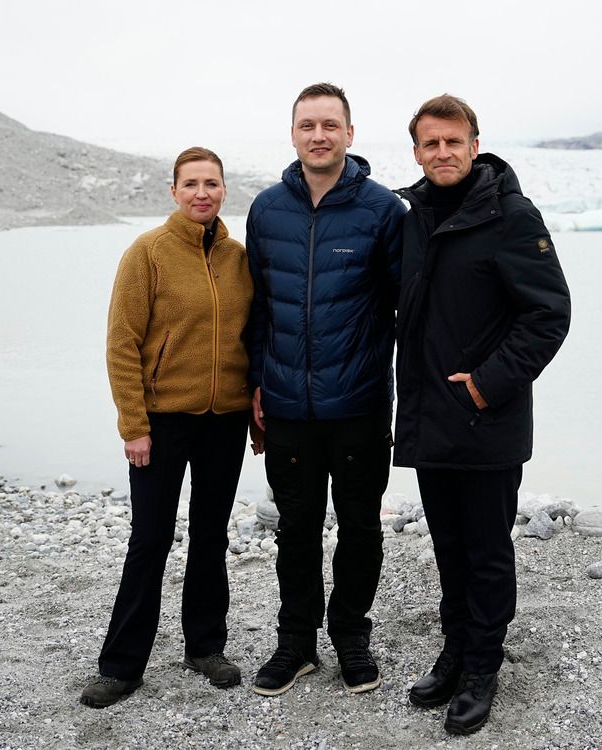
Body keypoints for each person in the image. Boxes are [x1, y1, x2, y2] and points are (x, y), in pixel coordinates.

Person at [394, 95, 571, 734]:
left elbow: (549, 313)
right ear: (416, 150)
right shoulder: (412, 217)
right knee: (448, 546)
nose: (442, 153)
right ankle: (455, 649)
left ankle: (483, 668)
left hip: (486, 418)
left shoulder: (512, 216)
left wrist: (487, 386)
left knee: (487, 551)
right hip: (431, 418)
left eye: (453, 141)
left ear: (474, 144)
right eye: (430, 143)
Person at [246, 82, 406, 696]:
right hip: (286, 403)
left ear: (350, 134)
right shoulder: (267, 209)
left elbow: (404, 309)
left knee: (360, 526)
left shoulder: (382, 211)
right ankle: (297, 643)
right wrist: (255, 384)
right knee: (297, 525)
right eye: (307, 125)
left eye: (330, 125)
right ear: (293, 134)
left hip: (360, 403)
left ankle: (350, 636)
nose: (319, 135)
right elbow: (256, 309)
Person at [80, 147, 254, 708]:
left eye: (212, 183)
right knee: (150, 538)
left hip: (224, 420)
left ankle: (204, 646)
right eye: (191, 184)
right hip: (162, 421)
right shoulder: (148, 252)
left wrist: (255, 403)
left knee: (211, 535)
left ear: (224, 190)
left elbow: (253, 339)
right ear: (174, 192)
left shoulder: (238, 258)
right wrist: (133, 425)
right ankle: (122, 665)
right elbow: (121, 343)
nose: (202, 192)